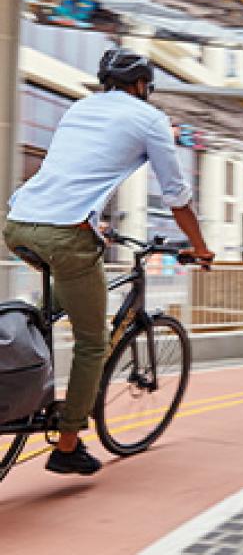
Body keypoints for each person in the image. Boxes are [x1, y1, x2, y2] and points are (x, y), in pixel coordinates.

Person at [2, 48, 213, 475]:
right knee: (93, 341)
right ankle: (66, 443)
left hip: (18, 222)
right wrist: (200, 247)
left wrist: (95, 224)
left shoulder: (80, 108)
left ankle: (23, 350)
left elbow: (74, 173)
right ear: (141, 85)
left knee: (53, 306)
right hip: (65, 234)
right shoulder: (149, 118)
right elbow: (176, 195)